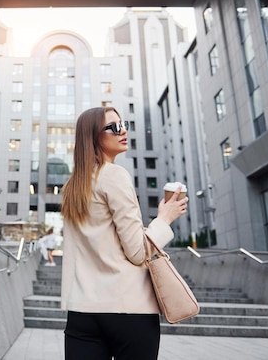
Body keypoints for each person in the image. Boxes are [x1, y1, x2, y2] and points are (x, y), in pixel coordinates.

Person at [60, 106, 188, 360]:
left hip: (82, 311)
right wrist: (165, 218)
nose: (123, 131)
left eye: (123, 124)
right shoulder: (115, 175)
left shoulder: (72, 186)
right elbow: (138, 252)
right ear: (93, 137)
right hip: (128, 309)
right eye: (114, 127)